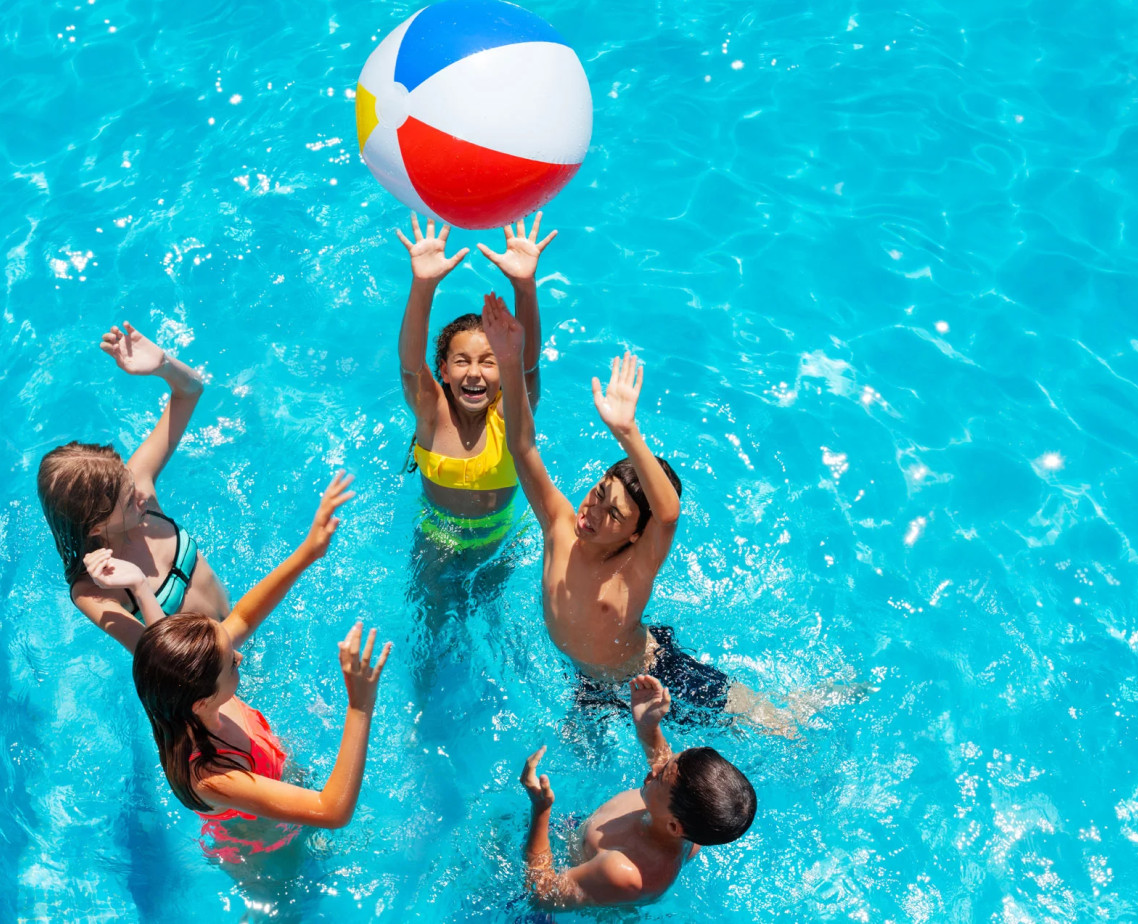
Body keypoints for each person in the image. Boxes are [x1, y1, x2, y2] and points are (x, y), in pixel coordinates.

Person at [482, 294, 766, 725]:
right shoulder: (558, 526)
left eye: (613, 514)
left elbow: (668, 515)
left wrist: (627, 431)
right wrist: (508, 359)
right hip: (587, 680)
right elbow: (521, 446)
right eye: (599, 492)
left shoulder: (632, 570)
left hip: (651, 677)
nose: (592, 511)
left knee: (759, 720)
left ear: (635, 534)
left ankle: (810, 704)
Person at [116, 473, 391, 861]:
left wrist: (308, 552)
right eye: (230, 665)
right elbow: (332, 811)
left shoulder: (176, 694)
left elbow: (241, 617)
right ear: (201, 701)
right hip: (262, 846)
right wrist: (360, 705)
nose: (239, 657)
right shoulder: (214, 777)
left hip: (270, 776)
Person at [37, 322, 228, 651]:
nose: (142, 494)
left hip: (240, 630)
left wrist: (164, 366)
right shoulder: (93, 591)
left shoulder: (135, 483)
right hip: (208, 686)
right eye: (128, 502)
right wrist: (139, 587)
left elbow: (191, 392)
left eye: (131, 482)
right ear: (96, 525)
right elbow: (165, 662)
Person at [518, 675, 756, 908]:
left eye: (660, 777)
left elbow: (541, 894)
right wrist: (648, 726)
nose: (654, 769)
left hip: (575, 883)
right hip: (578, 838)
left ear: (674, 826)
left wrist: (541, 810)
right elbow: (666, 766)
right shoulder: (692, 822)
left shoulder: (623, 871)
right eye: (669, 762)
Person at [395, 212, 555, 550]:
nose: (473, 372)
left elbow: (526, 368)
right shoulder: (432, 414)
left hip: (497, 543)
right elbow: (410, 368)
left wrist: (524, 286)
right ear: (444, 371)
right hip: (435, 540)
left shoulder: (507, 418)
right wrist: (423, 285)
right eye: (461, 361)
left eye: (488, 362)